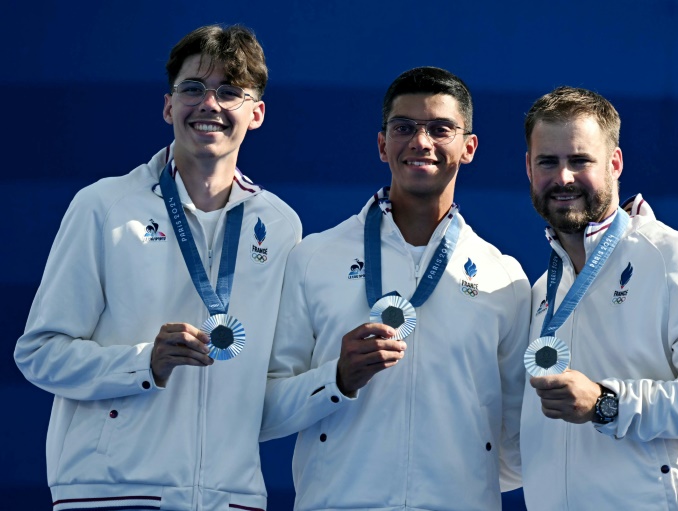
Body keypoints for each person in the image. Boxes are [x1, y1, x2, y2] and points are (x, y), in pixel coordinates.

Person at [14, 24, 301, 511]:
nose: (209, 104)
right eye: (193, 88)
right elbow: (39, 353)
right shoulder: (105, 206)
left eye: (229, 92)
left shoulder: (280, 225)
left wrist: (339, 380)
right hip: (111, 493)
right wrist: (143, 363)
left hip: (231, 499)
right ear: (169, 106)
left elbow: (269, 381)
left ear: (256, 114)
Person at [260, 66, 531, 510]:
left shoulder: (504, 277)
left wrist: (456, 479)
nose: (421, 142)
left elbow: (518, 440)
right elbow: (265, 408)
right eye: (404, 127)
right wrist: (337, 378)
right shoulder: (313, 258)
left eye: (440, 129)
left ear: (469, 147)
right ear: (382, 144)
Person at [520, 85, 678, 510]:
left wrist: (607, 403)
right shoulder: (542, 291)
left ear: (615, 163)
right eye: (548, 162)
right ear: (528, 169)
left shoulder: (677, 259)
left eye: (580, 160)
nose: (563, 178)